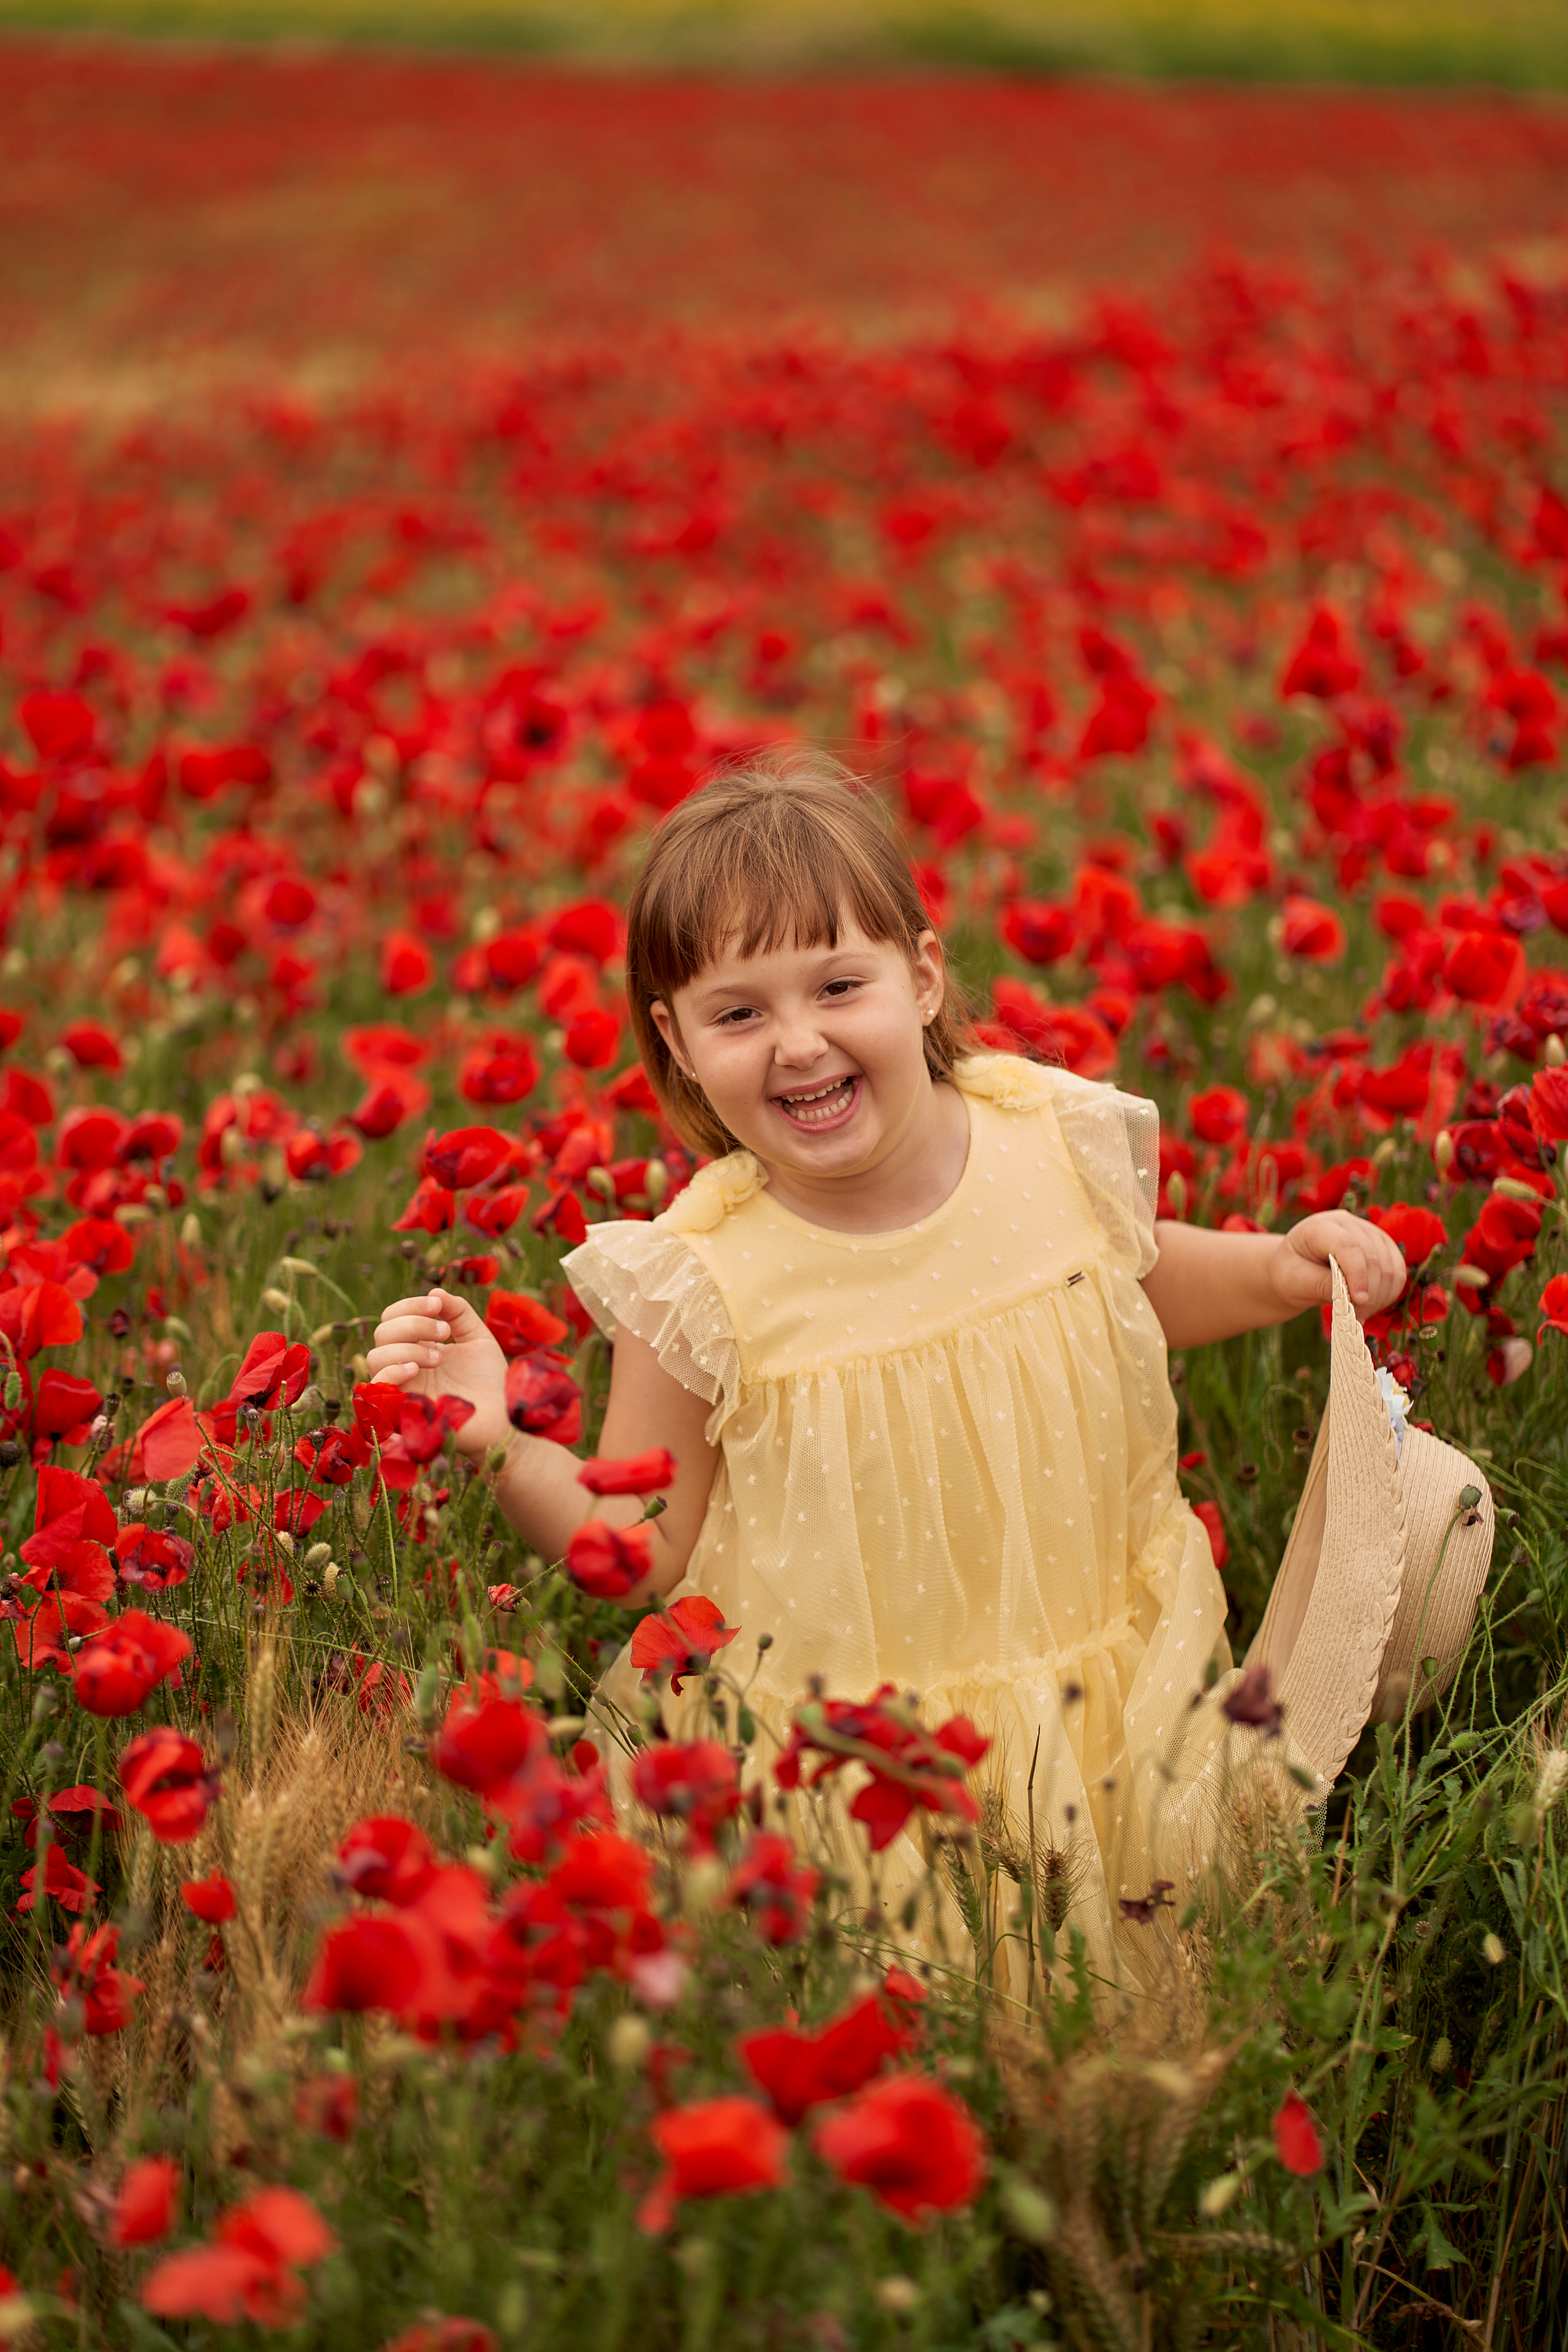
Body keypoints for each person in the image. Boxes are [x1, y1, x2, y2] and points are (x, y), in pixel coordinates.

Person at [367, 753, 1408, 1989]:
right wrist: (496, 1439)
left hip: (1104, 1689)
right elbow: (639, 1545)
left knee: (1144, 1979)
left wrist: (1277, 1270)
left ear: (921, 978)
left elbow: (1130, 1276)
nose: (798, 1043)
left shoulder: (1044, 1138)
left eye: (837, 985)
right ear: (677, 1043)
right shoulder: (702, 1277)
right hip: (853, 1769)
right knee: (928, 2010)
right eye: (738, 1014)